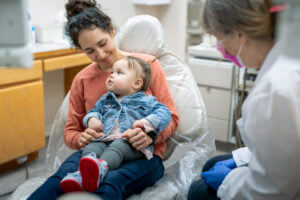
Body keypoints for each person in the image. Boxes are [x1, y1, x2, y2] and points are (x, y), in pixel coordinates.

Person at [28, 0, 179, 199]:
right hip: (96, 151)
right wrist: (81, 138)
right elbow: (71, 131)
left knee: (107, 183)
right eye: (90, 50)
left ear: (111, 30)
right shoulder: (82, 79)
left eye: (102, 43)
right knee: (59, 182)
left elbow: (172, 118)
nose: (100, 54)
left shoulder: (146, 65)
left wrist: (150, 135)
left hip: (142, 155)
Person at [188, 0, 300, 200]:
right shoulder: (285, 54)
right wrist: (241, 158)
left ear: (239, 33)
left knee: (198, 191)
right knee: (211, 165)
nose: (221, 49)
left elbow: (273, 190)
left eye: (219, 39)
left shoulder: (276, 88)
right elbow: (284, 147)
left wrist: (229, 181)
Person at [60, 56, 171, 193]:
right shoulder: (105, 100)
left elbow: (165, 112)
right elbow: (93, 112)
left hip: (130, 144)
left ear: (137, 83)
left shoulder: (146, 101)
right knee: (92, 146)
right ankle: (83, 174)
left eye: (119, 73)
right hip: (105, 139)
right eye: (112, 72)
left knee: (119, 145)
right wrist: (92, 119)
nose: (112, 75)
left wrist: (146, 123)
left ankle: (102, 167)